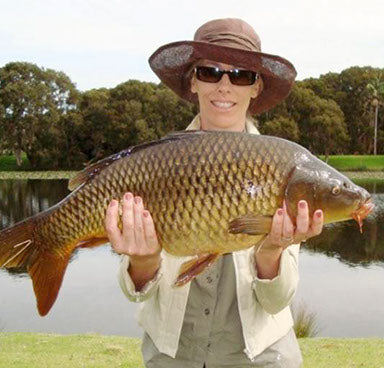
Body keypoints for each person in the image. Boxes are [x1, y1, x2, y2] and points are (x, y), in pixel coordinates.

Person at [105, 18, 324, 367]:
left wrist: (271, 251)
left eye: (241, 75)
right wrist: (143, 262)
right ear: (193, 81)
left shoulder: (282, 168)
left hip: (262, 355)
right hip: (172, 354)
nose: (225, 86)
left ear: (255, 87)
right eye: (210, 72)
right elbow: (134, 292)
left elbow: (276, 302)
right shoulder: (156, 163)